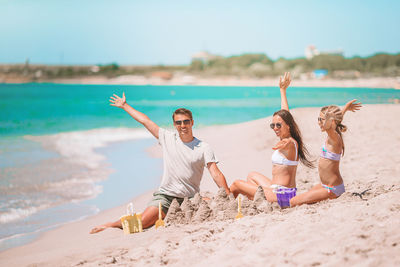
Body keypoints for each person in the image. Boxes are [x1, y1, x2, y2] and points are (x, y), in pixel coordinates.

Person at [90, 92, 230, 233]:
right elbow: (146, 121)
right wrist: (125, 106)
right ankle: (111, 224)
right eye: (178, 122)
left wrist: (228, 196)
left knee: (212, 206)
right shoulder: (167, 138)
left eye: (186, 121)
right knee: (143, 223)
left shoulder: (203, 147)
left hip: (190, 198)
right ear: (174, 125)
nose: (183, 125)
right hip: (166, 196)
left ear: (192, 122)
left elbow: (215, 173)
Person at [230, 72, 314, 208]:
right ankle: (258, 200)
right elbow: (285, 114)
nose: (275, 128)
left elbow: (286, 140)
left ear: (288, 125)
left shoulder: (290, 142)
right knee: (252, 175)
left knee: (236, 184)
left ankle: (225, 203)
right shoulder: (287, 134)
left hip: (283, 196)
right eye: (272, 125)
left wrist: (281, 144)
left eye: (278, 125)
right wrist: (282, 90)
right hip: (276, 189)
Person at [290, 99, 362, 207]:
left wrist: (337, 113)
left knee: (292, 202)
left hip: (332, 189)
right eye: (318, 119)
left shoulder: (335, 138)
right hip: (323, 185)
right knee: (298, 198)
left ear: (330, 121)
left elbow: (333, 121)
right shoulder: (331, 133)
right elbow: (336, 120)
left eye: (322, 119)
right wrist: (346, 107)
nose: (319, 122)